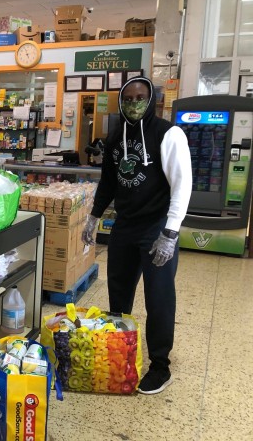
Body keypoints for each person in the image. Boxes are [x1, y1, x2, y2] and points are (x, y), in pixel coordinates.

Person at [82, 76, 192, 395]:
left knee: (159, 296)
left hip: (157, 226)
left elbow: (183, 184)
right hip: (125, 225)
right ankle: (121, 352)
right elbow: (108, 182)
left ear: (153, 99)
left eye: (140, 97)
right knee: (118, 293)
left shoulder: (168, 134)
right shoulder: (117, 136)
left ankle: (160, 365)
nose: (133, 103)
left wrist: (170, 231)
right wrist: (93, 216)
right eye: (127, 98)